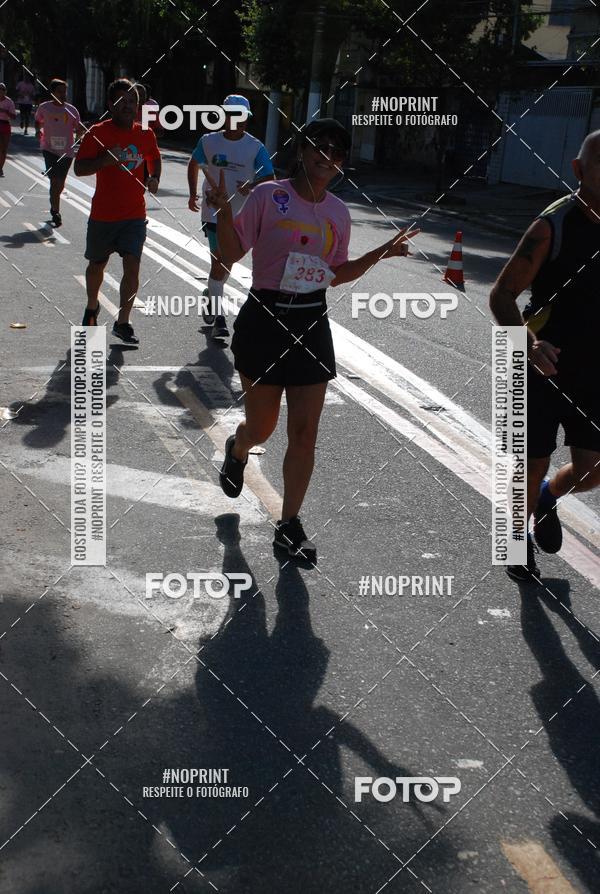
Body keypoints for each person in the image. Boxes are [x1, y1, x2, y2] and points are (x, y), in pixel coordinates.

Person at [206, 118, 419, 563]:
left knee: (304, 433)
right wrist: (225, 212)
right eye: (320, 147)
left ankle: (289, 525)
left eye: (337, 153)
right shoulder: (268, 195)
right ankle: (238, 448)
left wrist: (384, 251)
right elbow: (229, 254)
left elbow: (336, 274)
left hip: (310, 323)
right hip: (264, 319)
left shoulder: (338, 213)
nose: (328, 157)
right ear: (302, 151)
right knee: (262, 428)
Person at [490, 129, 600, 583]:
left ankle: (547, 496)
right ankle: (514, 542)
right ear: (578, 171)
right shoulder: (550, 226)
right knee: (531, 458)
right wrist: (528, 345)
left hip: (594, 369)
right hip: (541, 362)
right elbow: (501, 295)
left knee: (593, 469)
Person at [75, 79, 161, 344]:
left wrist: (154, 177)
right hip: (104, 214)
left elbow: (154, 158)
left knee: (132, 266)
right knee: (96, 265)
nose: (128, 106)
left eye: (132, 101)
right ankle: (92, 306)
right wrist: (104, 160)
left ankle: (123, 322)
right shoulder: (98, 133)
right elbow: (80, 169)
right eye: (122, 101)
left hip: (134, 214)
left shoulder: (145, 133)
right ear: (111, 104)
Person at [187, 94, 274, 339]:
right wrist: (193, 193)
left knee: (226, 264)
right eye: (232, 115)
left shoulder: (255, 147)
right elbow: (194, 163)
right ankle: (219, 317)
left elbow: (269, 177)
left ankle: (211, 295)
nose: (238, 121)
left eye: (242, 117)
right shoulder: (208, 141)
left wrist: (253, 186)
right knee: (220, 262)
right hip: (213, 213)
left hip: (241, 215)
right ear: (224, 117)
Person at [35, 78, 83, 226]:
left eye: (64, 91)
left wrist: (79, 136)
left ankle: (54, 202)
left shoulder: (72, 110)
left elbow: (78, 127)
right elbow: (37, 120)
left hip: (66, 152)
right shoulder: (44, 108)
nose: (63, 94)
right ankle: (56, 211)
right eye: (60, 92)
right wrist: (38, 130)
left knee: (60, 183)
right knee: (54, 180)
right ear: (52, 92)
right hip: (49, 149)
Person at [0, 84, 17, 177]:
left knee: (4, 149)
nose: (1, 91)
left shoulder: (9, 102)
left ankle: (0, 168)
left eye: (3, 89)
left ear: (5, 91)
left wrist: (5, 111)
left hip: (5, 124)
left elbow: (14, 116)